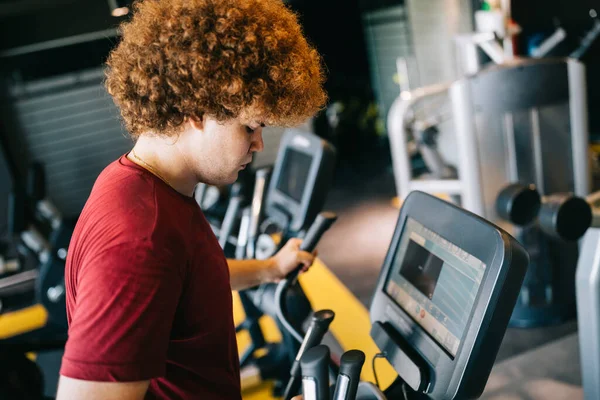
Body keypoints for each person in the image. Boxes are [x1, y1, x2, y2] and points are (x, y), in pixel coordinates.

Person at [55, 0, 327, 398]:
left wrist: (270, 268)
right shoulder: (137, 241)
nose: (258, 144)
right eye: (250, 127)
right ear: (198, 108)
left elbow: (188, 277)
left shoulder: (146, 188)